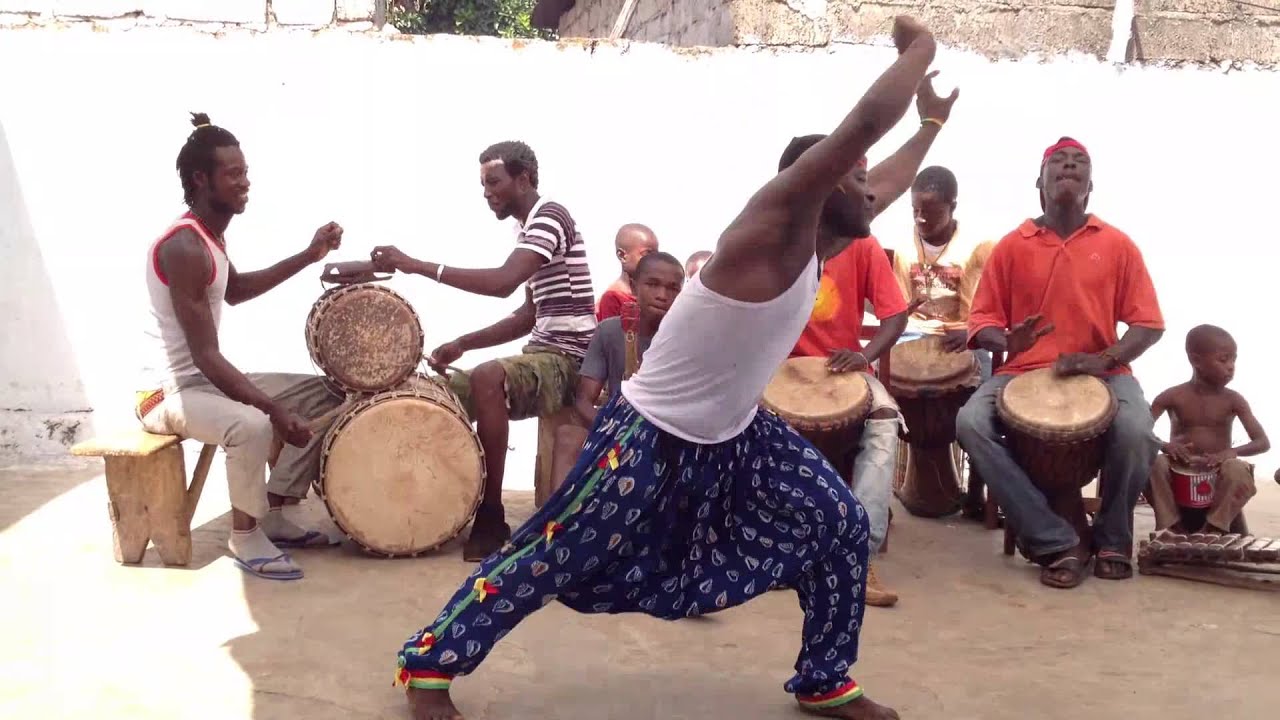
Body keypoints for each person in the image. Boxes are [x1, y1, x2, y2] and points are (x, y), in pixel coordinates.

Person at [394, 16, 941, 720]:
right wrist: (921, 50)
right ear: (817, 182)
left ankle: (824, 679)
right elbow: (864, 125)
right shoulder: (765, 231)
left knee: (837, 522)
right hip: (646, 435)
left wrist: (929, 124)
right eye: (855, 179)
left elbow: (881, 180)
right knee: (556, 553)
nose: (870, 192)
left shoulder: (821, 244)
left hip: (737, 434)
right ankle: (431, 664)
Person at [136, 113, 347, 581]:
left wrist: (310, 255)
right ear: (201, 179)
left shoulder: (210, 237)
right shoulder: (184, 246)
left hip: (202, 385)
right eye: (233, 174)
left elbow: (235, 289)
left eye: (245, 172)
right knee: (251, 423)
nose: (245, 183)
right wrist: (272, 409)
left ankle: (271, 509)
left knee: (325, 393)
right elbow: (206, 357)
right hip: (164, 394)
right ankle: (245, 535)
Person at [370, 141, 597, 562]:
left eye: (494, 182)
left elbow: (502, 283)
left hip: (571, 360)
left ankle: (491, 515)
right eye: (483, 184)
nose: (486, 192)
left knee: (488, 376)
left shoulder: (550, 216)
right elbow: (528, 315)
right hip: (543, 351)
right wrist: (463, 343)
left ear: (523, 179)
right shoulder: (528, 228)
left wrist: (417, 265)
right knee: (434, 392)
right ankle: (420, 506)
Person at [956, 136, 1165, 589]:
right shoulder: (1012, 245)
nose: (1070, 165)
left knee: (1138, 431)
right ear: (1040, 182)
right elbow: (981, 322)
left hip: (1105, 371)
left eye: (1080, 162)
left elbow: (1148, 324)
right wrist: (1008, 338)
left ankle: (1112, 539)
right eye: (1059, 161)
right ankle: (1054, 539)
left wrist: (1104, 358)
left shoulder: (1117, 244)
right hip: (1023, 373)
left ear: (1091, 186)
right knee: (970, 421)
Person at [786, 69, 959, 608]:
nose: (866, 192)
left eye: (865, 183)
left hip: (844, 372)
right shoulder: (773, 240)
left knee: (884, 420)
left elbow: (893, 316)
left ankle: (856, 556)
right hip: (776, 377)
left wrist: (863, 356)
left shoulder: (861, 245)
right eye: (855, 181)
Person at [545, 252, 688, 500]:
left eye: (672, 288)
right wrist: (612, 429)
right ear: (634, 286)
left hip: (667, 438)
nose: (662, 295)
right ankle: (558, 529)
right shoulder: (610, 331)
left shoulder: (686, 338)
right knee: (568, 436)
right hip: (614, 432)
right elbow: (583, 400)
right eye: (653, 284)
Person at [1147, 325, 1267, 534]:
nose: (1231, 367)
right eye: (1223, 359)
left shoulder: (1234, 399)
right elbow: (1140, 433)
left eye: (1233, 360)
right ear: (1196, 361)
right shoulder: (1172, 396)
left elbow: (1262, 442)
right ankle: (1174, 527)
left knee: (1237, 469)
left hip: (1217, 472)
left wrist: (1231, 453)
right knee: (1153, 463)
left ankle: (1213, 529)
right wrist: (1165, 445)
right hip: (1180, 469)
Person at [890, 165, 995, 379]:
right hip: (910, 334)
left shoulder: (977, 247)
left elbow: (980, 311)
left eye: (930, 212)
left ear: (952, 207)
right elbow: (899, 309)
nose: (920, 218)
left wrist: (970, 334)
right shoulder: (901, 245)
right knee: (878, 379)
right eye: (915, 210)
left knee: (984, 381)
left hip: (960, 336)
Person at [596, 223, 660, 321]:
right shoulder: (613, 298)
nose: (653, 260)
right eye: (647, 254)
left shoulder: (654, 293)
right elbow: (612, 335)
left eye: (656, 255)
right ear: (622, 256)